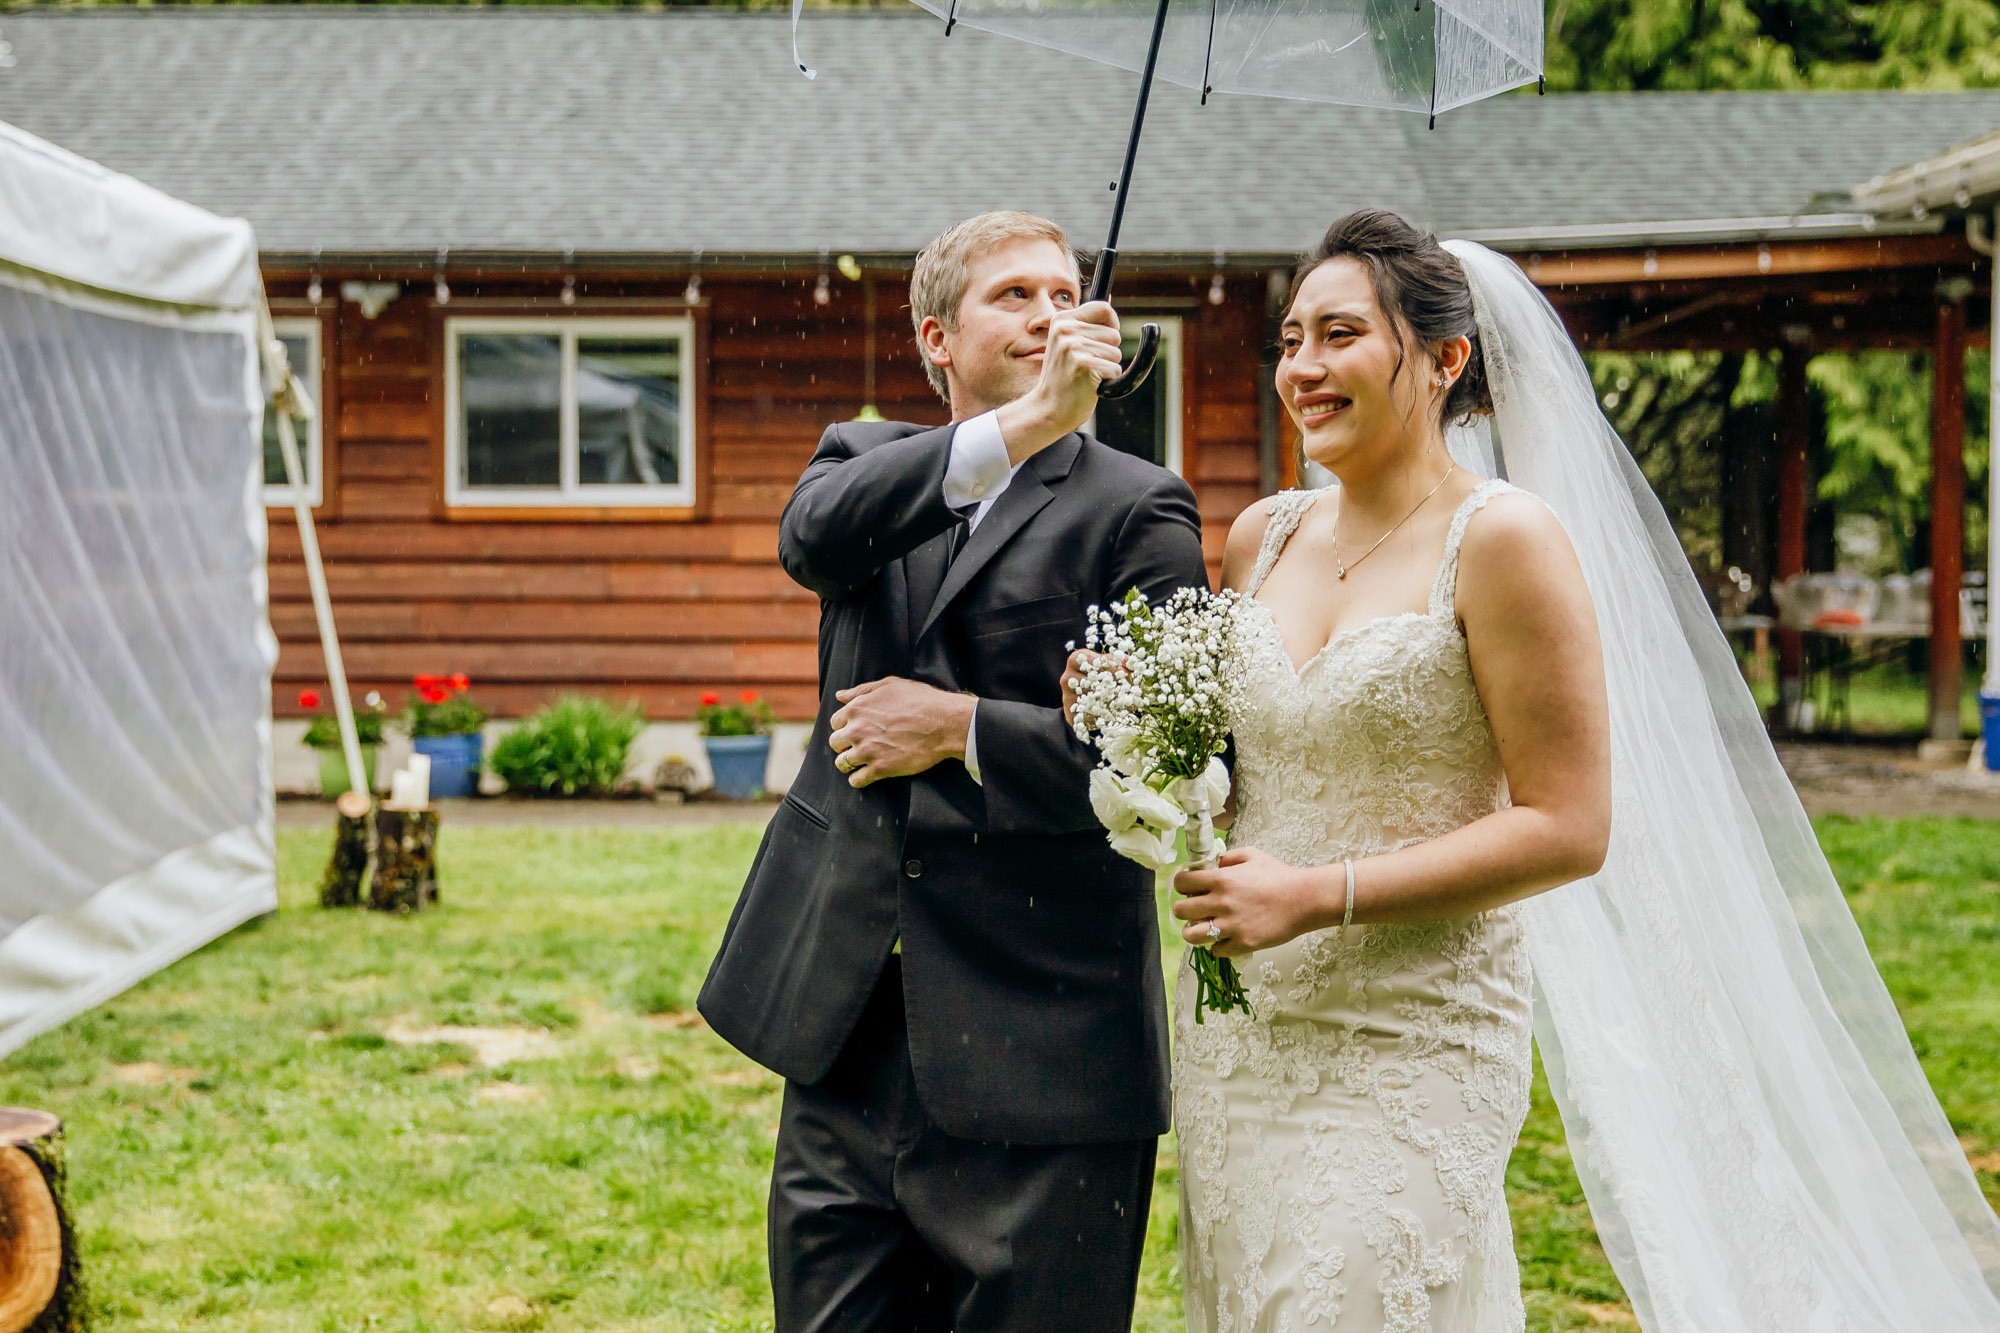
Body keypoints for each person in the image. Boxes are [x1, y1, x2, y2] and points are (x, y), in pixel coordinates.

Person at [1151, 209, 2000, 1331]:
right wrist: (1140, 740)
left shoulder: (1502, 540)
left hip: (1410, 1029)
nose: (1301, 368)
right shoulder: (1260, 534)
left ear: (1444, 359)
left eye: (1340, 335)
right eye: (1290, 338)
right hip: (1245, 1035)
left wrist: (1318, 894)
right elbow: (1251, 758)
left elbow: (1567, 823)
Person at [697, 210, 1208, 1331]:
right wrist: (1025, 422)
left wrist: (963, 727)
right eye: (1012, 296)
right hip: (844, 1025)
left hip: (1044, 1041)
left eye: (1062, 294)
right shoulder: (863, 465)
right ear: (935, 337)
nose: (1046, 313)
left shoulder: (1140, 507)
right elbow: (812, 540)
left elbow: (1178, 757)